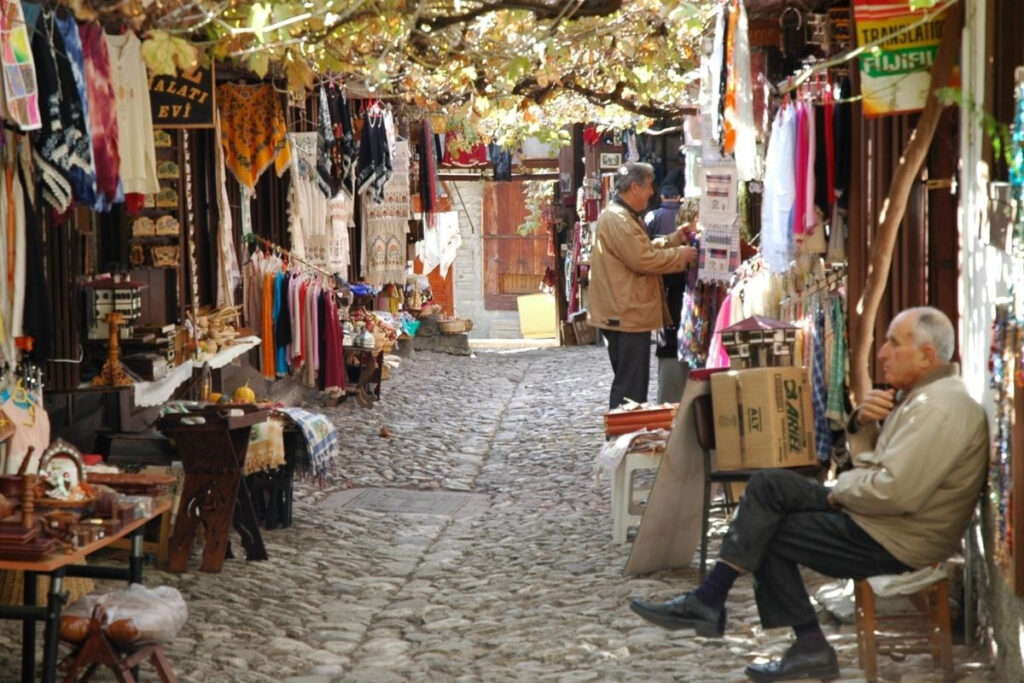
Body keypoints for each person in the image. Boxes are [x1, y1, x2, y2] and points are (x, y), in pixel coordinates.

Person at [629, 306, 988, 682]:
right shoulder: (922, 397)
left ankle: (779, 632)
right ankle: (717, 603)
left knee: (765, 531)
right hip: (882, 521)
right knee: (768, 486)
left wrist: (838, 493)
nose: (882, 353)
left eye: (893, 344)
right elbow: (876, 468)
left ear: (927, 355)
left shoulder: (939, 407)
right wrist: (861, 424)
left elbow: (895, 493)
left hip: (897, 538)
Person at [588, 163, 698, 409]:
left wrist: (673, 240)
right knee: (630, 388)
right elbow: (643, 259)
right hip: (624, 314)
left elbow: (643, 249)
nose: (652, 192)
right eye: (648, 185)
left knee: (631, 384)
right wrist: (682, 255)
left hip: (626, 312)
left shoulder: (623, 216)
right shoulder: (618, 218)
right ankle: (623, 439)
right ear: (635, 187)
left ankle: (626, 436)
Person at [644, 191, 696, 403]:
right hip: (671, 331)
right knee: (671, 394)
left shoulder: (653, 219)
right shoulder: (674, 253)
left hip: (680, 332)